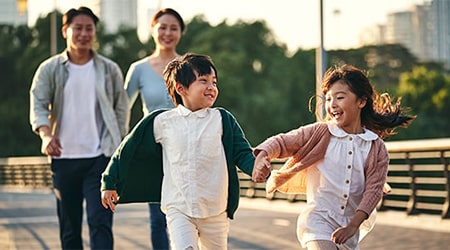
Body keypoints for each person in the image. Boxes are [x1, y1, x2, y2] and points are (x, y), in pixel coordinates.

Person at [101, 53, 268, 249]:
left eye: (214, 82)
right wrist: (109, 181)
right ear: (181, 88)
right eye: (203, 81)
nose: (211, 87)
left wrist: (256, 166)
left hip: (215, 210)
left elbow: (241, 153)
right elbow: (127, 149)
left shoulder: (223, 119)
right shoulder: (163, 121)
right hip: (178, 208)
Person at [252, 64, 415, 250]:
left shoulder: (375, 147)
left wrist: (353, 225)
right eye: (328, 99)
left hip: (350, 226)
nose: (332, 105)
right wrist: (263, 155)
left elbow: (373, 191)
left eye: (339, 97)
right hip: (317, 220)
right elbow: (282, 141)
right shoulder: (320, 133)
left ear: (361, 102)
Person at [29, 6, 129, 250]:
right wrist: (45, 134)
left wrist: (117, 147)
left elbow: (121, 110)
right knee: (70, 228)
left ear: (95, 32)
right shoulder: (49, 69)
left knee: (100, 221)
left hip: (101, 157)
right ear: (66, 31)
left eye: (89, 28)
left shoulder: (109, 69)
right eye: (78, 28)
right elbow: (38, 103)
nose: (84, 33)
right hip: (64, 159)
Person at [124, 8, 184, 249]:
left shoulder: (189, 65)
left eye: (174, 28)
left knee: (188, 213)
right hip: (153, 150)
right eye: (162, 27)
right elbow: (121, 109)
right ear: (152, 30)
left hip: (187, 148)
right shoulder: (138, 69)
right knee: (158, 218)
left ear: (180, 32)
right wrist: (126, 146)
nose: (167, 33)